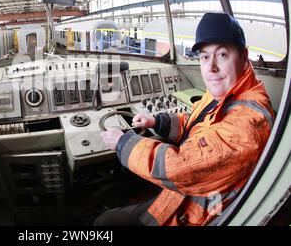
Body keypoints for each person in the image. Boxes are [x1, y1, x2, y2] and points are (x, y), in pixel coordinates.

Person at [95, 12, 274, 226]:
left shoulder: (247, 122)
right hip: (182, 198)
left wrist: (123, 143)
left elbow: (181, 167)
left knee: (104, 223)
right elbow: (195, 123)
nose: (211, 67)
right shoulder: (225, 92)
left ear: (244, 58)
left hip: (193, 213)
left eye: (222, 55)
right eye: (205, 57)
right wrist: (156, 122)